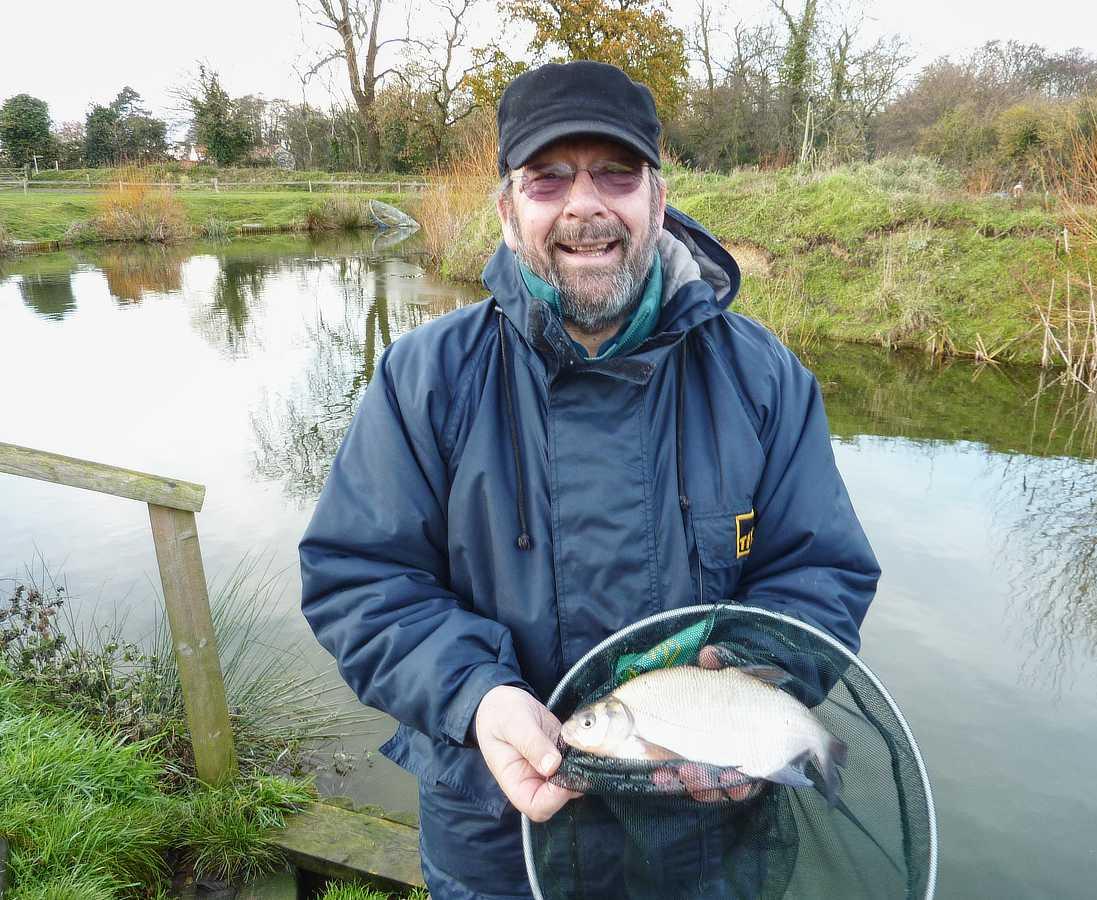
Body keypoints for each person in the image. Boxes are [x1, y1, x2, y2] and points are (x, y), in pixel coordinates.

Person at [299, 60, 880, 900]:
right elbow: (360, 577)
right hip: (496, 837)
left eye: (615, 172)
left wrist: (758, 681)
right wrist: (478, 696)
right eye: (548, 180)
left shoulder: (766, 380)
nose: (585, 205)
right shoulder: (423, 377)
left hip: (707, 845)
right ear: (507, 211)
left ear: (657, 196)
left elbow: (820, 572)